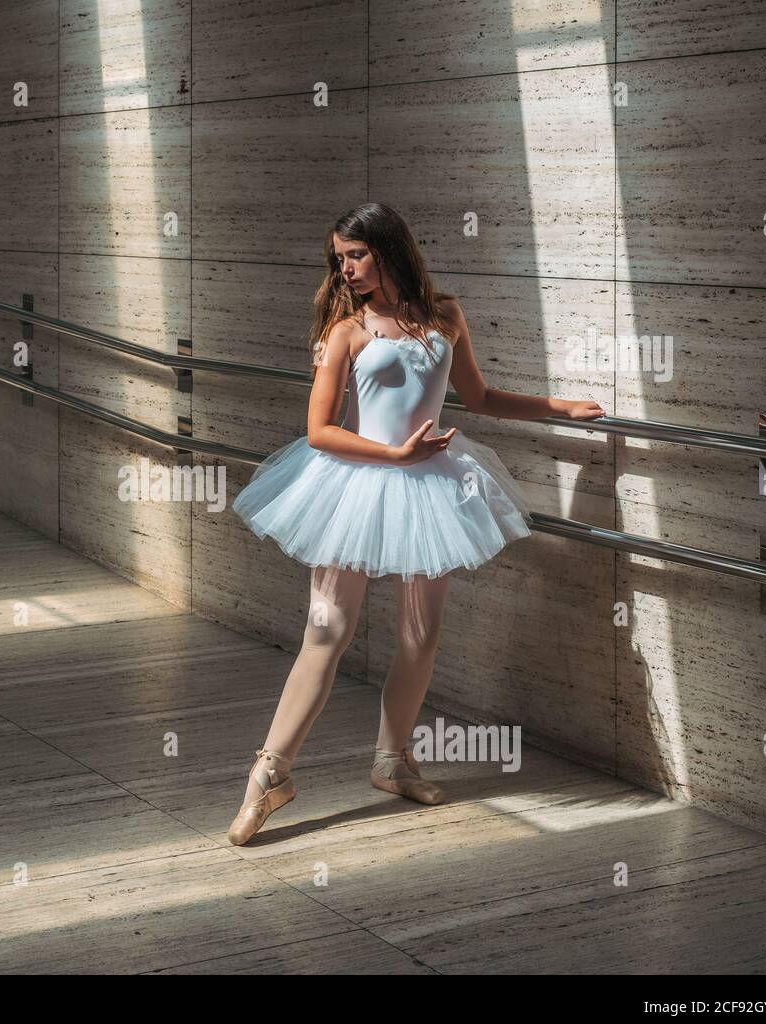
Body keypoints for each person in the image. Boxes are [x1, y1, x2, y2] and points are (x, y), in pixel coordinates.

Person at [227, 202, 606, 846]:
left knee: (421, 635)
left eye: (356, 255)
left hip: (432, 487)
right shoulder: (346, 330)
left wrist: (558, 405)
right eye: (338, 258)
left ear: (389, 249)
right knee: (327, 630)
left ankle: (393, 760)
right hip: (358, 482)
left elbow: (479, 398)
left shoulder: (444, 315)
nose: (345, 269)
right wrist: (395, 454)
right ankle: (270, 776)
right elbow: (319, 432)